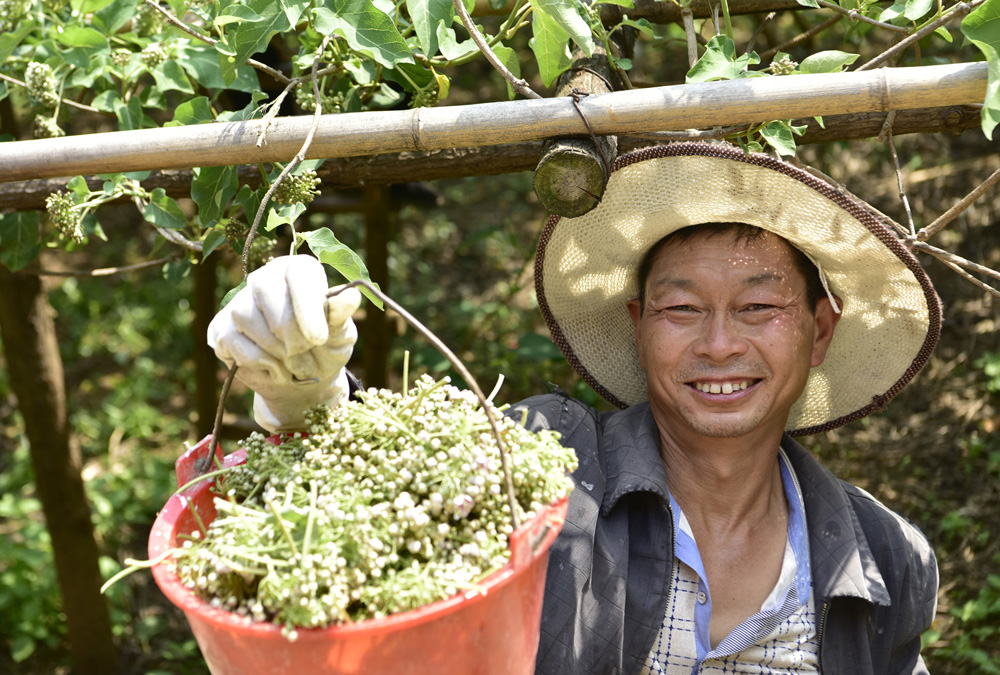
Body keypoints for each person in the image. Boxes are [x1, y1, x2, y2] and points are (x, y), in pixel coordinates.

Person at [208, 142, 941, 674]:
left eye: (758, 306)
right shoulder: (544, 465)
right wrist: (303, 396)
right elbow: (372, 502)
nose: (720, 344)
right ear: (639, 323)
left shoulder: (881, 558)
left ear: (818, 330)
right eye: (682, 307)